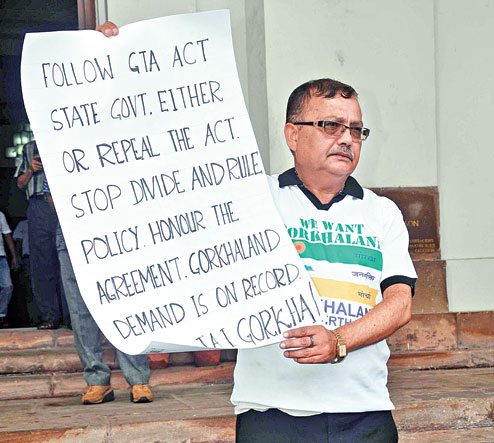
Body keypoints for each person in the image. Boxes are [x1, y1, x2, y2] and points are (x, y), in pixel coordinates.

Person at [97, 22, 416, 440]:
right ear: (292, 134)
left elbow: (399, 303)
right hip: (271, 415)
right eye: (331, 126)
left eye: (355, 129)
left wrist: (338, 340)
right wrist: (110, 68)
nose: (347, 138)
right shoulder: (252, 198)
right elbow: (160, 181)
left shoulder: (382, 212)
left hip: (365, 415)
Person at [44, 180, 153, 405]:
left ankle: (138, 380)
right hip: (72, 236)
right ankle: (97, 381)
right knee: (80, 310)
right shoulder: (55, 145)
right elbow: (51, 195)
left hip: (115, 233)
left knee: (126, 303)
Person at [15, 141, 68, 329]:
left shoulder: (62, 139)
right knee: (42, 264)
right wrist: (31, 169)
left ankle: (72, 317)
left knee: (68, 261)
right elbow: (20, 183)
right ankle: (50, 316)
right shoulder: (28, 149)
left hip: (64, 202)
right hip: (38, 205)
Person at [0, 211, 19, 328]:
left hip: (1, 257)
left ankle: (1, 315)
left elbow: (7, 235)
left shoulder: (0, 215)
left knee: (7, 286)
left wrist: (14, 256)